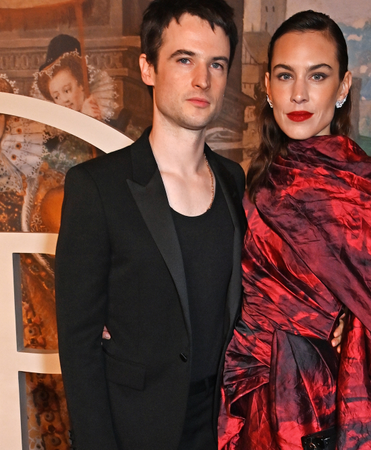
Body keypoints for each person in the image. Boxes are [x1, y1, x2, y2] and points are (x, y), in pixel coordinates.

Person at [218, 10, 371, 450]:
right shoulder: (253, 183)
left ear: (343, 87)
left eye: (318, 75)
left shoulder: (370, 190)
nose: (299, 93)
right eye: (286, 75)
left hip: (328, 407)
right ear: (268, 87)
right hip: (250, 397)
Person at [55, 1, 245, 449]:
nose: (203, 80)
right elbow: (79, 348)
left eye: (216, 64)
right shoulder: (96, 188)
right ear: (148, 68)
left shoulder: (235, 182)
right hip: (132, 430)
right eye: (185, 60)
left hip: (221, 428)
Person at [34, 34, 117, 122]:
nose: (64, 100)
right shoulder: (56, 126)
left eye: (67, 90)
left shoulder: (101, 113)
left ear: (81, 84)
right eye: (56, 97)